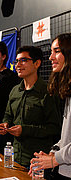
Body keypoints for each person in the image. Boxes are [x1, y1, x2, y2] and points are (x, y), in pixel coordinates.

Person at [0, 46, 62, 168]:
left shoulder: (48, 92)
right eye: (16, 61)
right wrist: (5, 124)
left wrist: (25, 130)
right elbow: (8, 115)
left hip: (38, 161)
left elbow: (54, 128)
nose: (18, 65)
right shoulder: (15, 91)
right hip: (15, 158)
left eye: (23, 60)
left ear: (37, 63)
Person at [29, 33, 71, 179]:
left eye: (57, 51)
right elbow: (67, 138)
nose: (50, 57)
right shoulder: (67, 91)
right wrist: (52, 153)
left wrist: (55, 159)